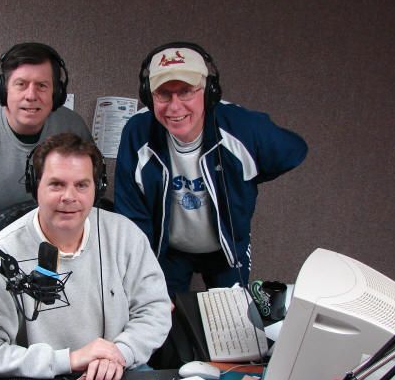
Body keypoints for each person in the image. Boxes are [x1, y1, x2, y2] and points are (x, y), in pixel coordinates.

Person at [0, 133, 171, 380]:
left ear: (98, 188)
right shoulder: (1, 256)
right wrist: (69, 360)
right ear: (34, 187)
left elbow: (154, 310)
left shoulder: (125, 236)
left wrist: (120, 353)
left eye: (81, 185)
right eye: (57, 184)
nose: (69, 196)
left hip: (119, 370)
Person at [115, 42, 308, 297]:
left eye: (186, 92)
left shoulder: (241, 127)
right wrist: (141, 274)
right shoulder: (137, 131)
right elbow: (131, 213)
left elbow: (293, 150)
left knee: (231, 318)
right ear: (149, 96)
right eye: (163, 94)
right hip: (167, 250)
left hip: (226, 250)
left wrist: (244, 177)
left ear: (208, 92)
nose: (175, 107)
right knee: (158, 313)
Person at [0, 43, 92, 299]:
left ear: (56, 93)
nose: (31, 95)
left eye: (42, 85)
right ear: (3, 89)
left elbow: (88, 193)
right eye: (21, 84)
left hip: (54, 247)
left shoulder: (73, 128)